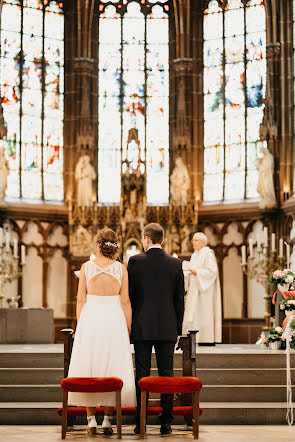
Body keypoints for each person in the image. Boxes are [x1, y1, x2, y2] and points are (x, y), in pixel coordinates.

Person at [67, 228, 136, 436]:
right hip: (114, 318)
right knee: (111, 366)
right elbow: (125, 301)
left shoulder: (87, 267)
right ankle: (106, 419)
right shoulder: (121, 269)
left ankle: (91, 421)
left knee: (90, 367)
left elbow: (80, 300)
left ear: (98, 244)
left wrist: (81, 325)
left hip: (91, 318)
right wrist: (128, 327)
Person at [128, 223, 184, 435]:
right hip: (168, 326)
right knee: (166, 374)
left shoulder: (135, 262)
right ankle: (166, 422)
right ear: (162, 239)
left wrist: (130, 324)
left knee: (142, 373)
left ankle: (140, 421)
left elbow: (131, 297)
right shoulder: (175, 263)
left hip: (142, 324)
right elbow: (179, 300)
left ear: (146, 239)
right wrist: (178, 329)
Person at [182, 232, 222, 345]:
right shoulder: (195, 254)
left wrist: (197, 272)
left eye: (196, 240)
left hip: (205, 290)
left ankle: (205, 339)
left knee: (204, 313)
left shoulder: (208, 253)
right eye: (193, 240)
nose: (193, 242)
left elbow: (212, 271)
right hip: (195, 289)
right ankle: (195, 339)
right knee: (194, 313)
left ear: (203, 242)